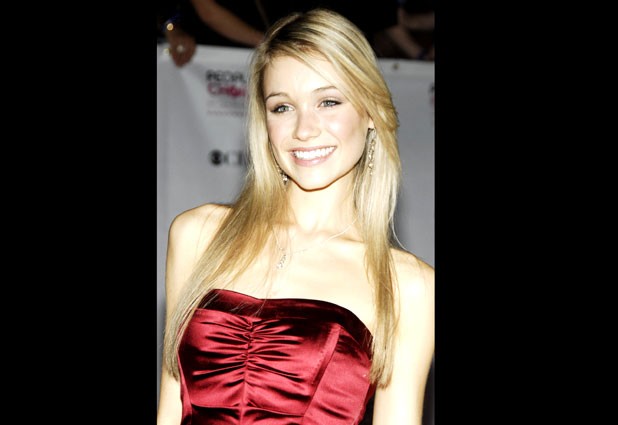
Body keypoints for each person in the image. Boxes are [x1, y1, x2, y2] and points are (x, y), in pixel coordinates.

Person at [157, 8, 434, 425]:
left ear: (371, 112)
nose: (304, 129)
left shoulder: (406, 286)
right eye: (282, 107)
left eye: (328, 102)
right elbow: (169, 407)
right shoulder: (197, 235)